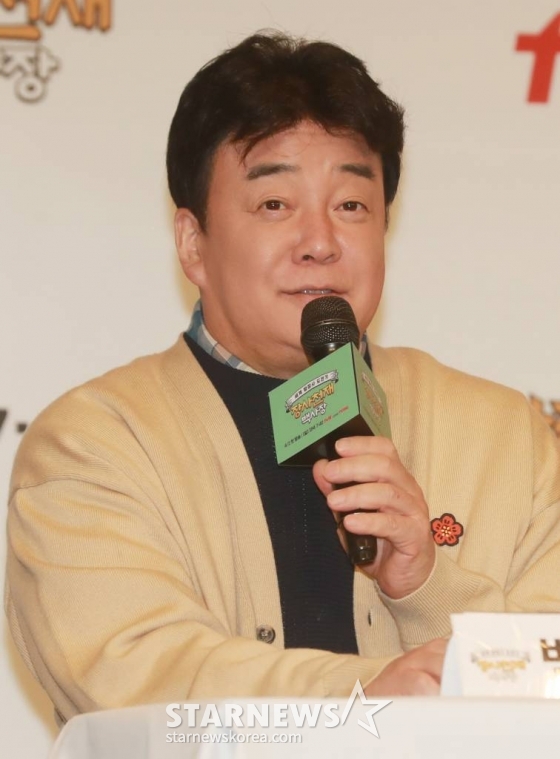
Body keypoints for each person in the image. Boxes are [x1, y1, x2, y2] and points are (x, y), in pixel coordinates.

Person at [6, 32, 560, 723]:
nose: (320, 241)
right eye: (275, 205)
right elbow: (134, 671)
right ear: (193, 243)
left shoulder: (508, 438)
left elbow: (550, 678)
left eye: (351, 205)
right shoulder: (95, 445)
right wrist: (361, 699)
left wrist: (424, 583)